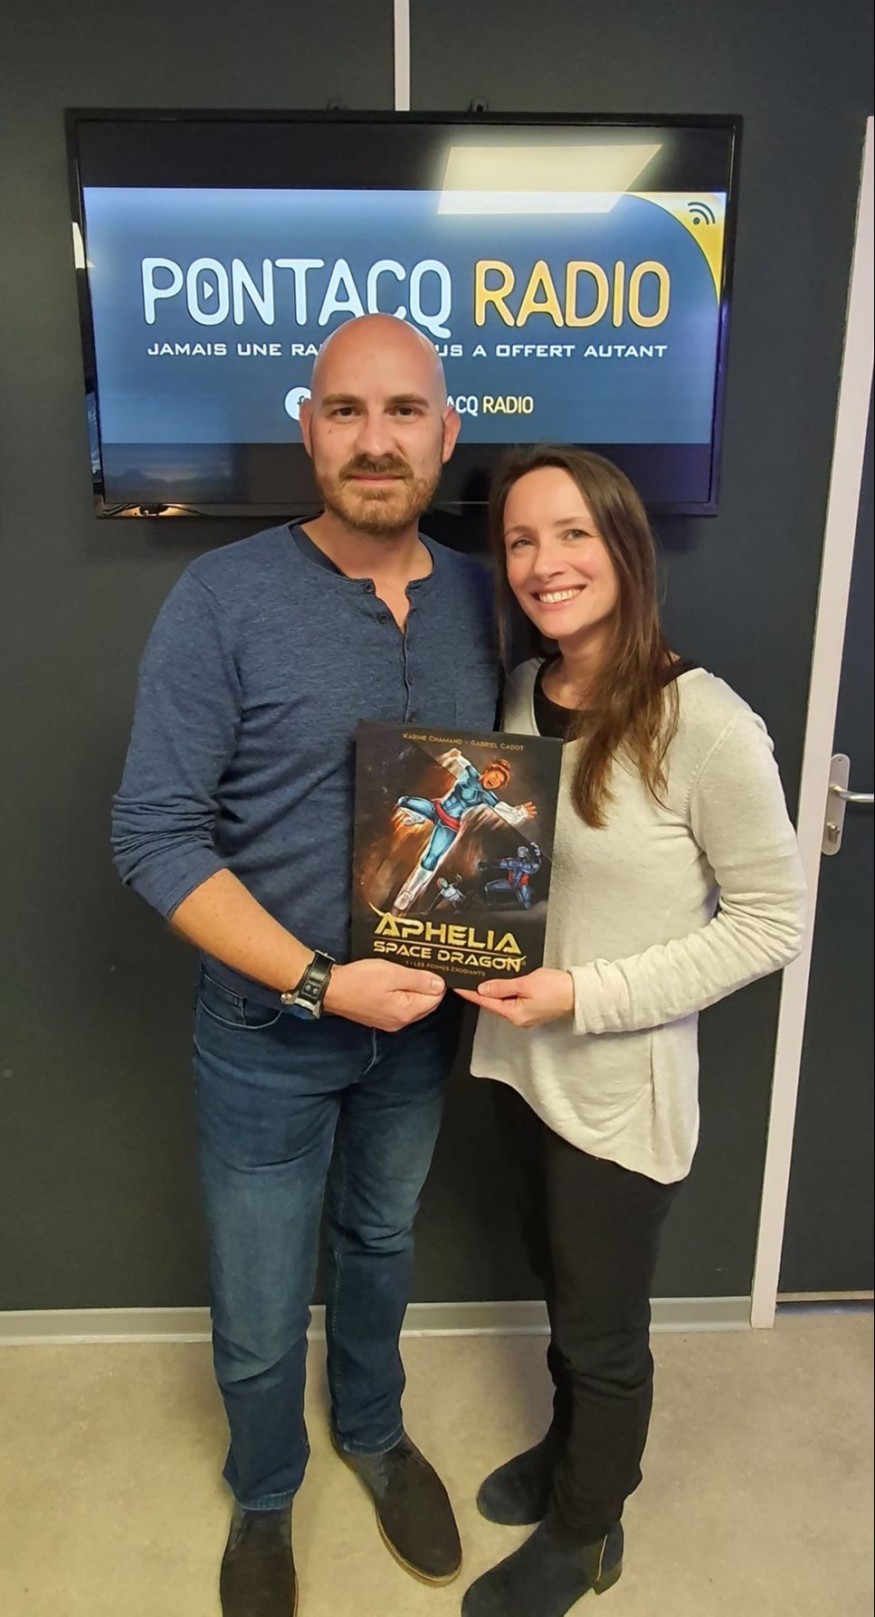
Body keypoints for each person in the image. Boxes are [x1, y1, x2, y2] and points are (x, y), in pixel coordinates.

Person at [111, 314, 499, 1617]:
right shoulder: (221, 598)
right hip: (267, 1034)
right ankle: (266, 1489)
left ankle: (374, 1435)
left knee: (380, 1242)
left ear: (445, 432)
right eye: (345, 410)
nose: (375, 440)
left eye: (403, 411)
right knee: (262, 1297)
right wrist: (320, 982)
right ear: (307, 430)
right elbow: (153, 835)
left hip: (420, 1029)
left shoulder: (485, 597)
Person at [456, 445, 807, 1617]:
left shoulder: (706, 723)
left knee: (602, 1333)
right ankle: (572, 1454)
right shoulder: (519, 693)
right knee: (559, 1293)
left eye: (571, 534)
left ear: (624, 548)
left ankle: (585, 1529)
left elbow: (768, 925)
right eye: (520, 540)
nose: (542, 563)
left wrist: (581, 994)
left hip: (617, 1089)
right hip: (513, 1065)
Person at [393, 747, 536, 912]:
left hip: (449, 824)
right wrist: (455, 754)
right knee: (404, 801)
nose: (495, 781)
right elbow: (461, 760)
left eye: (499, 782)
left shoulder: (487, 796)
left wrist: (520, 812)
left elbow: (506, 811)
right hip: (435, 808)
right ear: (487, 771)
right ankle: (419, 817)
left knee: (431, 858)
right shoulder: (470, 773)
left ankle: (409, 893)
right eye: (496, 776)